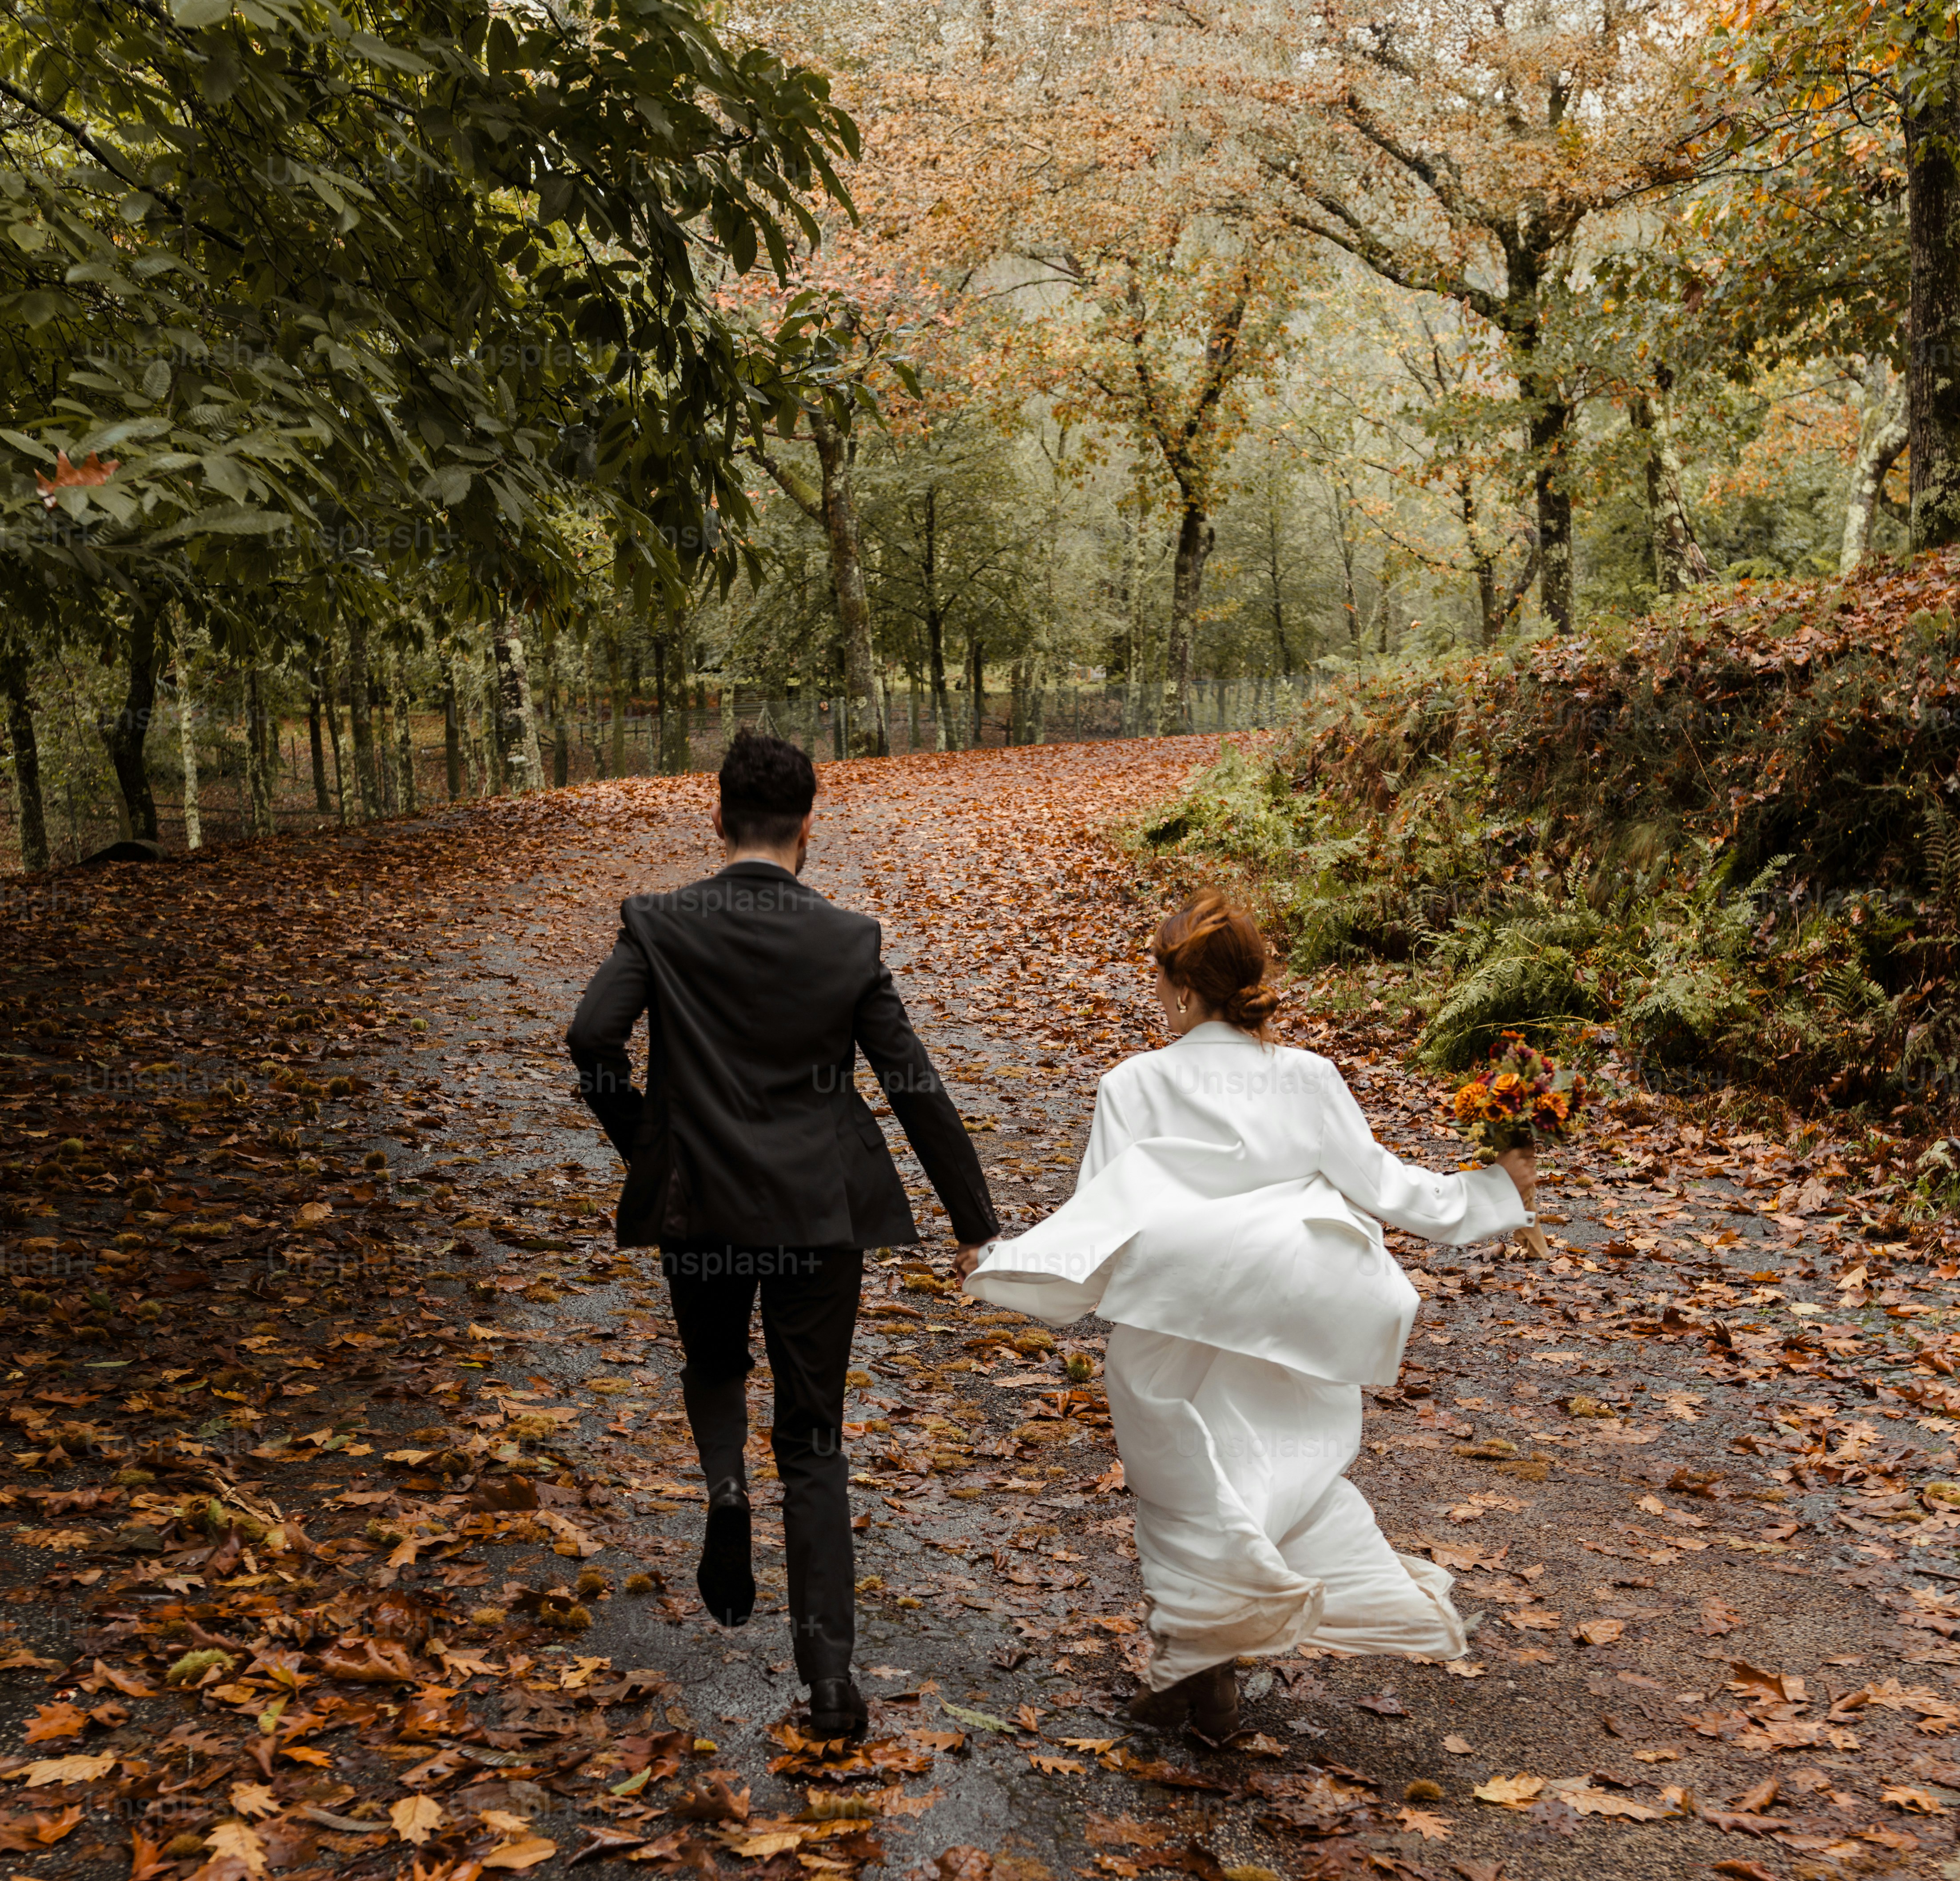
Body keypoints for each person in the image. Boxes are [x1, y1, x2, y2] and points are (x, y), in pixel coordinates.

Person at [966, 890, 1533, 1740]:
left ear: (1187, 994)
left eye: (1161, 986)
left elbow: (1102, 1218)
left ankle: (1200, 1675)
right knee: (1256, 1478)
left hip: (1172, 1321)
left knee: (1184, 1493)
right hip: (1291, 1319)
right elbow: (1383, 1187)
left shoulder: (1130, 1086)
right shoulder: (1306, 1078)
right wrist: (1494, 1191)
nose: (1159, 1002)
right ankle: (1196, 1676)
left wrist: (1018, 1267)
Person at [565, 729, 999, 1738]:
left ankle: (725, 1491)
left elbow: (592, 1037)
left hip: (699, 1209)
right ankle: (833, 1683)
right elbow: (911, 1081)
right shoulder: (847, 939)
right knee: (812, 1438)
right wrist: (973, 1223)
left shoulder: (659, 923)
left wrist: (649, 1146)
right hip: (818, 1217)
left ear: (716, 819)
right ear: (811, 822)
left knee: (715, 1360)